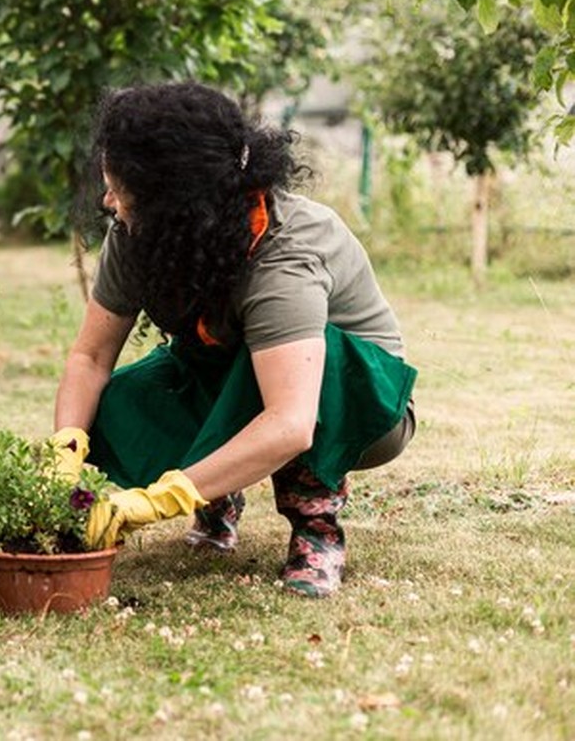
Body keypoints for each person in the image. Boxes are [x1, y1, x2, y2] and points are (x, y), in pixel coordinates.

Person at [51, 81, 416, 598]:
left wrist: (164, 498)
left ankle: (317, 531)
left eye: (119, 186)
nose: (107, 199)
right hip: (234, 378)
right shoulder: (141, 230)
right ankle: (218, 495)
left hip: (358, 402)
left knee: (288, 374)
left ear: (173, 201)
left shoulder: (286, 255)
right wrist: (64, 447)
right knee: (116, 408)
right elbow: (90, 357)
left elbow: (290, 422)